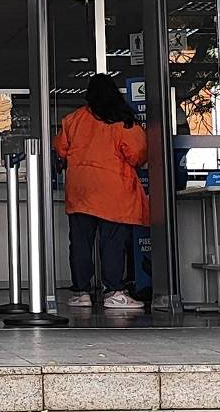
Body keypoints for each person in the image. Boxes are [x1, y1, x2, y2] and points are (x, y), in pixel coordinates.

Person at [54, 73, 150, 313]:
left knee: (80, 242)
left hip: (81, 189)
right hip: (114, 190)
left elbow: (61, 150)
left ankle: (81, 292)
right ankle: (114, 292)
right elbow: (137, 155)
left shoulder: (73, 119)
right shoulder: (123, 120)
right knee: (113, 242)